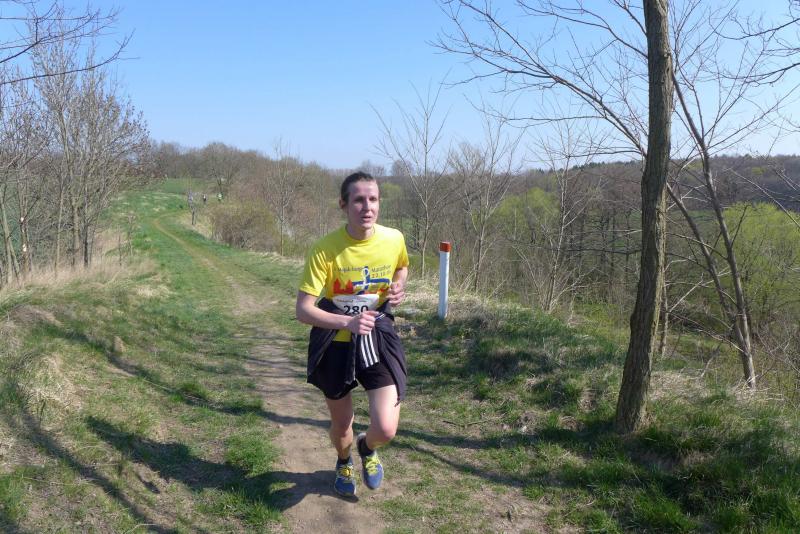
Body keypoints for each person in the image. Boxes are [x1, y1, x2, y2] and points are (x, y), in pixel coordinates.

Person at [295, 171, 409, 498]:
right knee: (342, 425)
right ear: (343, 205)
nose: (367, 207)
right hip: (336, 343)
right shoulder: (325, 249)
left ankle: (367, 447)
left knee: (386, 428)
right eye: (358, 200)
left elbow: (401, 267)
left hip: (375, 339)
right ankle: (344, 460)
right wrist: (347, 323)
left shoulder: (393, 239)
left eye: (373, 199)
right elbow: (303, 310)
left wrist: (398, 286)